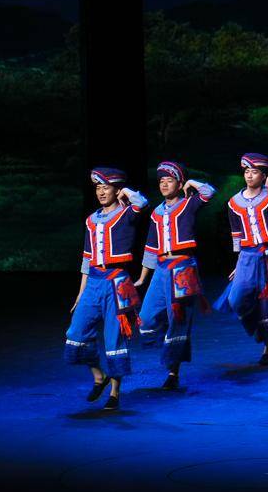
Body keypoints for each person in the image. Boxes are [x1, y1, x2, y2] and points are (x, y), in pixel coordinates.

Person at [66, 167, 149, 411]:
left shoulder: (126, 214)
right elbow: (86, 258)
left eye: (106, 187)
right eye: (98, 188)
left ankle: (114, 393)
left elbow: (142, 202)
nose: (101, 192)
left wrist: (125, 192)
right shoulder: (91, 220)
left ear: (116, 189)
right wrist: (81, 292)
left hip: (116, 283)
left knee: (114, 338)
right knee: (76, 333)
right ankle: (98, 376)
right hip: (93, 282)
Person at [134, 161, 215, 390]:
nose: (164, 184)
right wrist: (142, 278)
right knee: (147, 317)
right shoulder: (157, 213)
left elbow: (209, 192)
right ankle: (169, 347)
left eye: (169, 180)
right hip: (161, 268)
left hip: (182, 268)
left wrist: (191, 183)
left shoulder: (189, 204)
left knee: (178, 319)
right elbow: (151, 247)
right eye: (161, 181)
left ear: (179, 184)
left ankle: (173, 371)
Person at [214, 151, 268, 365]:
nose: (250, 175)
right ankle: (258, 327)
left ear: (263, 175)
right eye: (247, 171)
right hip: (247, 255)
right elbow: (236, 234)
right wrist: (238, 263)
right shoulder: (234, 202)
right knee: (236, 299)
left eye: (255, 172)